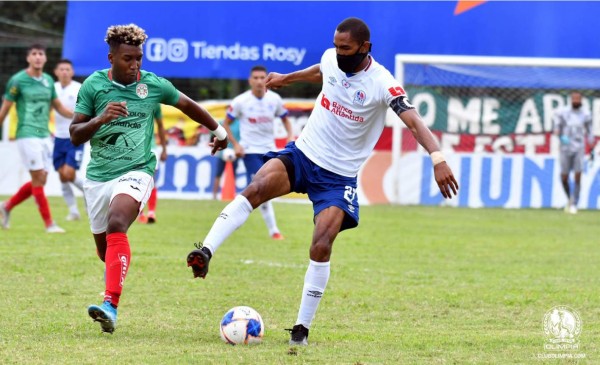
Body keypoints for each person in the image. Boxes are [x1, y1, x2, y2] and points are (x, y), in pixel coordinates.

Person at [186, 17, 458, 345]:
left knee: (321, 243)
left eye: (346, 49)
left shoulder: (382, 83)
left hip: (337, 178)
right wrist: (288, 78)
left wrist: (437, 157)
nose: (339, 53)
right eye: (336, 46)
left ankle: (300, 330)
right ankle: (206, 250)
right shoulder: (332, 59)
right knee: (255, 188)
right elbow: (321, 69)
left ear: (364, 48)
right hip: (303, 155)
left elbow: (413, 122)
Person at [70, 24, 227, 333]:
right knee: (105, 252)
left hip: (137, 170)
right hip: (99, 177)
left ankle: (109, 305)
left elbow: (188, 105)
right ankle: (114, 282)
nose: (135, 65)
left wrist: (219, 131)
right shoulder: (93, 85)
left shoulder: (152, 85)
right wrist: (101, 118)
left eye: (139, 58)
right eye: (128, 59)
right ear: (111, 57)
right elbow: (75, 134)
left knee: (118, 222)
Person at [0, 44, 74, 233]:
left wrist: (81, 116)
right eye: (34, 54)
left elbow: (59, 108)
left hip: (44, 136)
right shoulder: (18, 80)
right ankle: (49, 224)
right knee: (38, 177)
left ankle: (6, 206)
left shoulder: (48, 81)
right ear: (28, 58)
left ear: (45, 58)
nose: (38, 57)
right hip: (27, 134)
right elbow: (6, 109)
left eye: (41, 54)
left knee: (39, 180)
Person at [223, 65, 294, 239]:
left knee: (258, 191)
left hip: (270, 151)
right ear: (250, 80)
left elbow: (286, 121)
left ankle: (231, 220)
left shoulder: (275, 100)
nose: (259, 81)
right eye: (256, 78)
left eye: (263, 77)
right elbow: (225, 124)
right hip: (250, 151)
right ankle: (274, 231)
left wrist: (290, 138)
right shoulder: (241, 101)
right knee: (261, 188)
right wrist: (236, 145)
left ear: (267, 80)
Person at [53, 59, 85, 221]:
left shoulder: (79, 88)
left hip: (75, 137)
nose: (65, 72)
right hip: (58, 137)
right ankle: (73, 211)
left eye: (67, 69)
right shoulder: (53, 89)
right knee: (62, 177)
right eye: (62, 69)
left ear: (72, 72)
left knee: (69, 173)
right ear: (56, 72)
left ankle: (88, 192)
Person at [554, 91, 594, 214]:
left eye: (578, 99)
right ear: (570, 100)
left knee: (578, 174)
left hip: (579, 148)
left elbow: (590, 132)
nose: (576, 101)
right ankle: (569, 199)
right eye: (574, 99)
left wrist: (591, 148)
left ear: (581, 100)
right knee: (564, 176)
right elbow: (556, 128)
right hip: (565, 148)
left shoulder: (586, 114)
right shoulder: (562, 113)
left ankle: (574, 202)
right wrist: (560, 136)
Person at [138, 104, 167, 224]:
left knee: (151, 181)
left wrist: (165, 149)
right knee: (137, 181)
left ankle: (151, 212)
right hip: (135, 149)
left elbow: (160, 126)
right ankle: (140, 213)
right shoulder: (127, 97)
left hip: (151, 148)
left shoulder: (154, 101)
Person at [212, 118, 241, 200]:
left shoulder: (239, 124)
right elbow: (214, 133)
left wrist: (237, 148)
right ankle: (214, 195)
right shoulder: (221, 122)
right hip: (222, 153)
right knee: (218, 174)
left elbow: (240, 138)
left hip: (234, 153)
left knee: (233, 174)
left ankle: (232, 194)